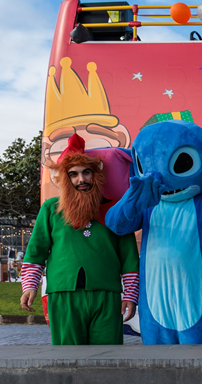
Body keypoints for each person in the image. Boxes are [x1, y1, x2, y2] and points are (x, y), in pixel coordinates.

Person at [20, 133, 139, 345]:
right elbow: (36, 252)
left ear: (96, 175)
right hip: (63, 293)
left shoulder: (115, 209)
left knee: (108, 355)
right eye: (73, 174)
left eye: (86, 172)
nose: (81, 180)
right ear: (65, 178)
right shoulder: (51, 209)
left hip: (107, 294)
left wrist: (130, 295)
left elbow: (129, 257)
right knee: (67, 356)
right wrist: (30, 286)